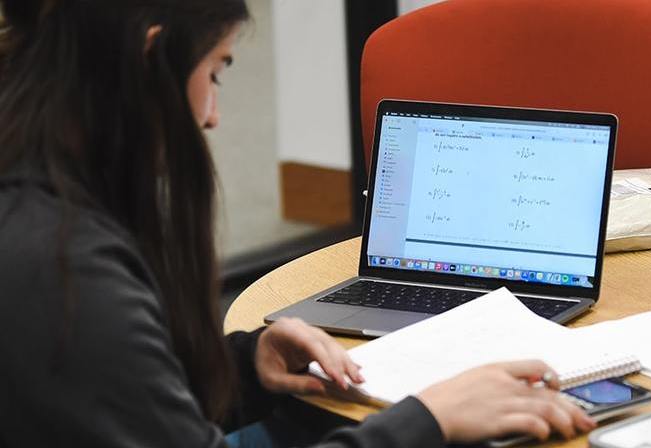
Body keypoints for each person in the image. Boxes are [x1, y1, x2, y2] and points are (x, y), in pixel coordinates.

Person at [0, 1, 596, 447]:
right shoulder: (64, 270)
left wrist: (243, 367)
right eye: (215, 72)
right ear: (151, 57)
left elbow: (105, 385)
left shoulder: (42, 199)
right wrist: (430, 418)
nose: (211, 115)